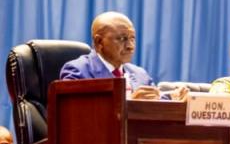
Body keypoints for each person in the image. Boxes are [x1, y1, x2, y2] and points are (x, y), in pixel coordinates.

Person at [60, 11, 188, 100]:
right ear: (99, 42)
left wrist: (175, 98)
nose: (130, 46)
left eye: (132, 38)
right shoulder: (78, 72)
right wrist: (130, 103)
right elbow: (78, 115)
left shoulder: (140, 75)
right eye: (122, 39)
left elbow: (156, 102)